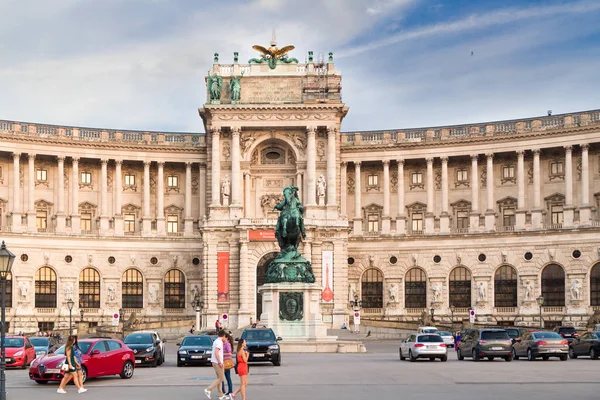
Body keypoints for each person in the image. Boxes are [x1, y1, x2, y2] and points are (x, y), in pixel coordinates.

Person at [205, 330, 227, 400]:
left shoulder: (216, 341)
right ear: (223, 336)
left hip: (214, 362)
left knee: (219, 379)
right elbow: (216, 353)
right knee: (221, 378)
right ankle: (209, 389)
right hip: (217, 363)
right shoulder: (219, 342)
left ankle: (221, 395)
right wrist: (220, 362)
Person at [221, 333, 234, 397]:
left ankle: (225, 391)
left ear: (226, 338)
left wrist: (222, 354)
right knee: (226, 377)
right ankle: (229, 391)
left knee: (223, 378)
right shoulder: (222, 344)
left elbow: (229, 353)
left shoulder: (227, 344)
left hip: (226, 362)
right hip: (223, 361)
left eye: (223, 337)